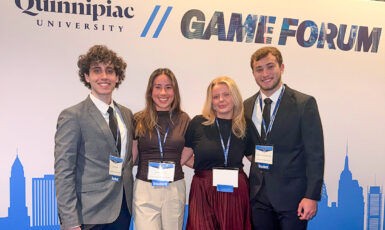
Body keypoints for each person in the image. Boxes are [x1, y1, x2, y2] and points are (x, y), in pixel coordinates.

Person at [244, 46, 324, 230]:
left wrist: (311, 196)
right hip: (258, 197)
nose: (265, 73)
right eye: (259, 69)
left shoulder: (304, 104)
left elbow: (315, 154)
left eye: (270, 66)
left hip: (293, 199)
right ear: (253, 73)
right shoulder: (246, 106)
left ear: (282, 67)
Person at [54, 45, 133, 230]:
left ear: (117, 77)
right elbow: (64, 171)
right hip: (89, 214)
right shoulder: (73, 116)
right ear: (87, 77)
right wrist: (70, 222)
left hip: (122, 209)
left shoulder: (127, 115)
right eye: (97, 71)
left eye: (110, 71)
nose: (104, 76)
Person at [183, 76, 255, 230]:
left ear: (234, 97)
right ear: (211, 101)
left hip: (235, 191)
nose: (221, 100)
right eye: (216, 97)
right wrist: (204, 171)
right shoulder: (198, 123)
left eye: (226, 95)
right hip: (203, 191)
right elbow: (184, 156)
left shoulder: (244, 124)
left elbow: (253, 158)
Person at [132, 68, 190, 230]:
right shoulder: (139, 119)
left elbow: (189, 148)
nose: (163, 92)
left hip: (174, 188)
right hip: (145, 189)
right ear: (151, 91)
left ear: (175, 91)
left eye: (168, 87)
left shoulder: (184, 119)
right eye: (158, 87)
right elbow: (132, 155)